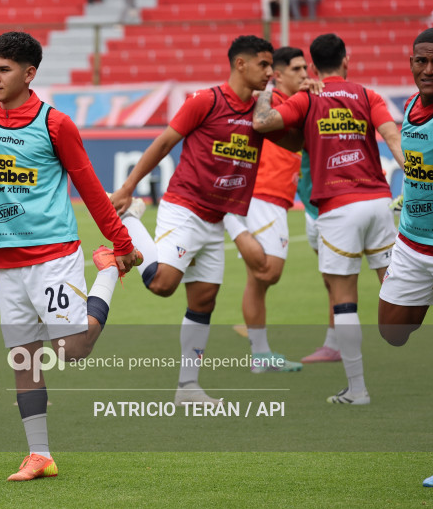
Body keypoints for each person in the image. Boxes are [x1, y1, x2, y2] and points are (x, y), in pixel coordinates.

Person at [0, 31, 139, 482]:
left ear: (29, 73)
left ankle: (108, 274)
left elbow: (91, 190)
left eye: (4, 70)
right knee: (25, 361)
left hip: (53, 255)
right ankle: (40, 455)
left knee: (72, 350)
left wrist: (122, 244)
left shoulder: (56, 124)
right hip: (7, 262)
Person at [111, 35, 304, 404]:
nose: (270, 72)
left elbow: (295, 143)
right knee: (162, 284)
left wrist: (277, 105)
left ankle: (187, 387)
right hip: (185, 207)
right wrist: (128, 187)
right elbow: (165, 142)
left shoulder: (260, 114)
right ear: (240, 64)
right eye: (264, 65)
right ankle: (131, 221)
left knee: (203, 300)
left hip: (218, 218)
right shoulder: (205, 100)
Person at [253, 32, 404, 406]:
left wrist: (266, 93)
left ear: (315, 67)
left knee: (344, 300)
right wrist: (418, 180)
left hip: (338, 209)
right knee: (400, 291)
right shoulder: (368, 95)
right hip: (379, 202)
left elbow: (263, 123)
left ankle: (357, 390)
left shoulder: (307, 98)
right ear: (347, 61)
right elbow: (392, 137)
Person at [222, 47, 308, 372]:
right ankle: (228, 217)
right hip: (262, 193)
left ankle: (260, 356)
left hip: (278, 197)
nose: (304, 75)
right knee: (269, 270)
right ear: (280, 75)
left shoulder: (298, 103)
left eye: (306, 69)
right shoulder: (268, 100)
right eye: (297, 69)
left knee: (258, 282)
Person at [376, 27, 433, 488]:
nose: (428, 70)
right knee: (393, 331)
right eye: (421, 61)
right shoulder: (413, 106)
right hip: (413, 243)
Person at [296, 147, 341, 364]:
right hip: (310, 205)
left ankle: (336, 344)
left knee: (338, 279)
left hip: (333, 206)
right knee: (329, 278)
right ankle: (335, 342)